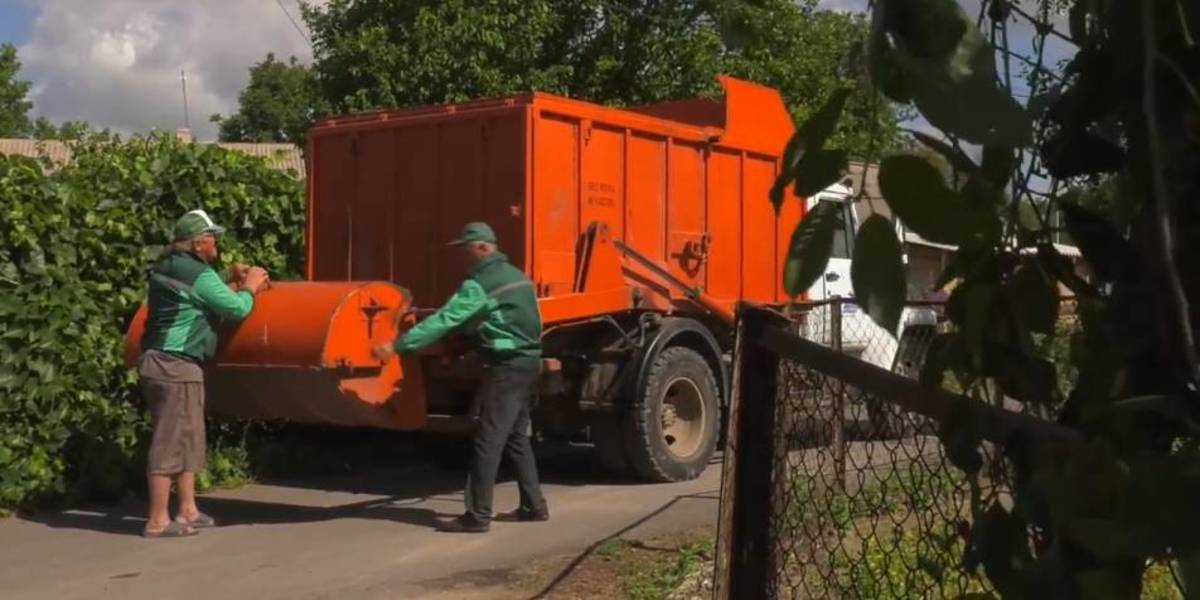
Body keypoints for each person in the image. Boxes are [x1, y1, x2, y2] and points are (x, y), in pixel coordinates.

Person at [373, 222, 548, 533]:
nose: (463, 258)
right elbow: (508, 319)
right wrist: (467, 340)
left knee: (488, 440)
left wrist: (399, 345)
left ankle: (477, 516)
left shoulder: (481, 282)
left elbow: (446, 318)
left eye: (466, 250)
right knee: (517, 437)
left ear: (482, 247)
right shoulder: (518, 277)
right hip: (528, 363)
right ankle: (534, 506)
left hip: (506, 368)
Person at [137, 209, 269, 538]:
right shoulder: (197, 273)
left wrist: (225, 275)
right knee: (171, 439)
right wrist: (250, 285)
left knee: (189, 436)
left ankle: (187, 510)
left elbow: (195, 290)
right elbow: (236, 308)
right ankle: (157, 520)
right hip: (175, 364)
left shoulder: (170, 264)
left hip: (164, 362)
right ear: (198, 244)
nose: (217, 244)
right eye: (213, 238)